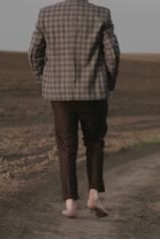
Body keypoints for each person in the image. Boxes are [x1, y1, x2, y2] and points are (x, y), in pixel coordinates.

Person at [28, 0, 120, 219]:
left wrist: (45, 80)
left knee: (66, 146)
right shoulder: (101, 13)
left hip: (59, 92)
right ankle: (94, 196)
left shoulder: (46, 14)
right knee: (95, 143)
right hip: (93, 91)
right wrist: (108, 83)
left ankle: (70, 203)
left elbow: (34, 53)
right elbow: (112, 54)